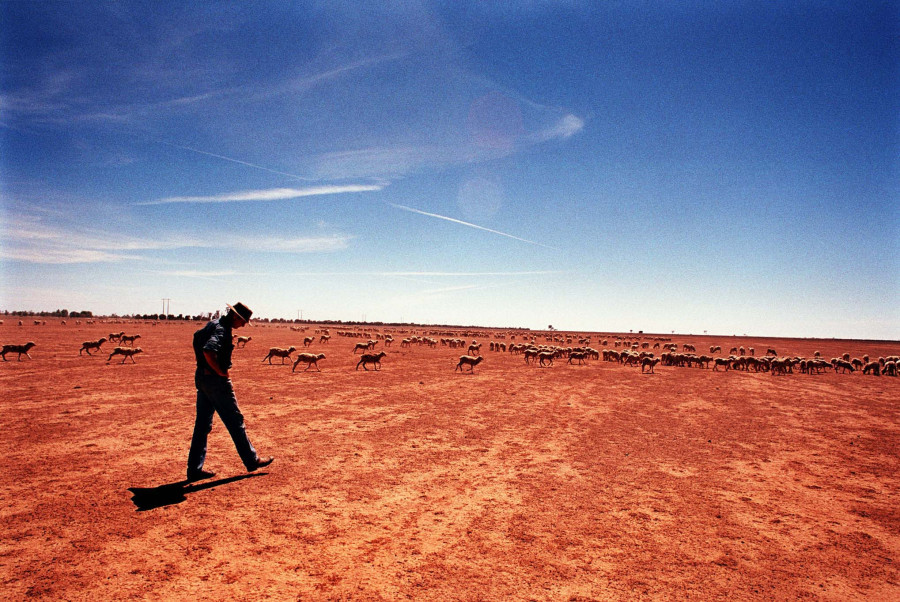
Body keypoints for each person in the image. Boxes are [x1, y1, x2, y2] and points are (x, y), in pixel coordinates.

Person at [187, 302, 273, 481]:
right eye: (243, 321)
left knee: (202, 425)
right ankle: (252, 460)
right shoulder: (222, 330)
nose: (243, 325)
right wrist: (221, 372)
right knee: (235, 421)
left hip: (202, 379)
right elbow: (209, 350)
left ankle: (194, 469)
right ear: (236, 317)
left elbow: (197, 337)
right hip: (216, 382)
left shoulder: (214, 323)